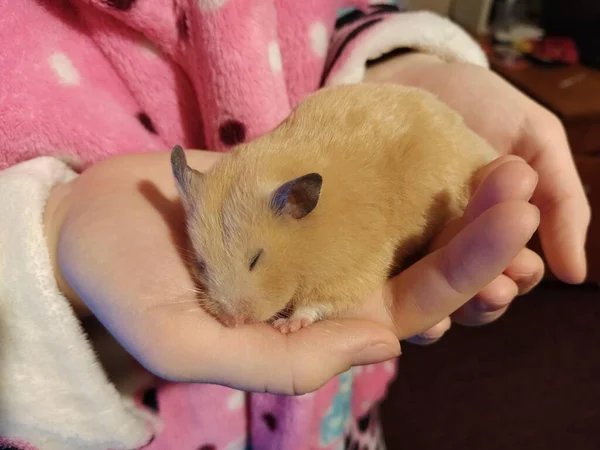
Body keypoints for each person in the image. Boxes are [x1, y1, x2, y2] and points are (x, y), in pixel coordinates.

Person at [0, 1, 588, 449]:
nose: (229, 306)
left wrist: (396, 57)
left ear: (299, 204)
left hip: (330, 415)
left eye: (250, 261)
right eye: (205, 264)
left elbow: (337, 12)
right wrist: (46, 235)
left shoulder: (323, 212)